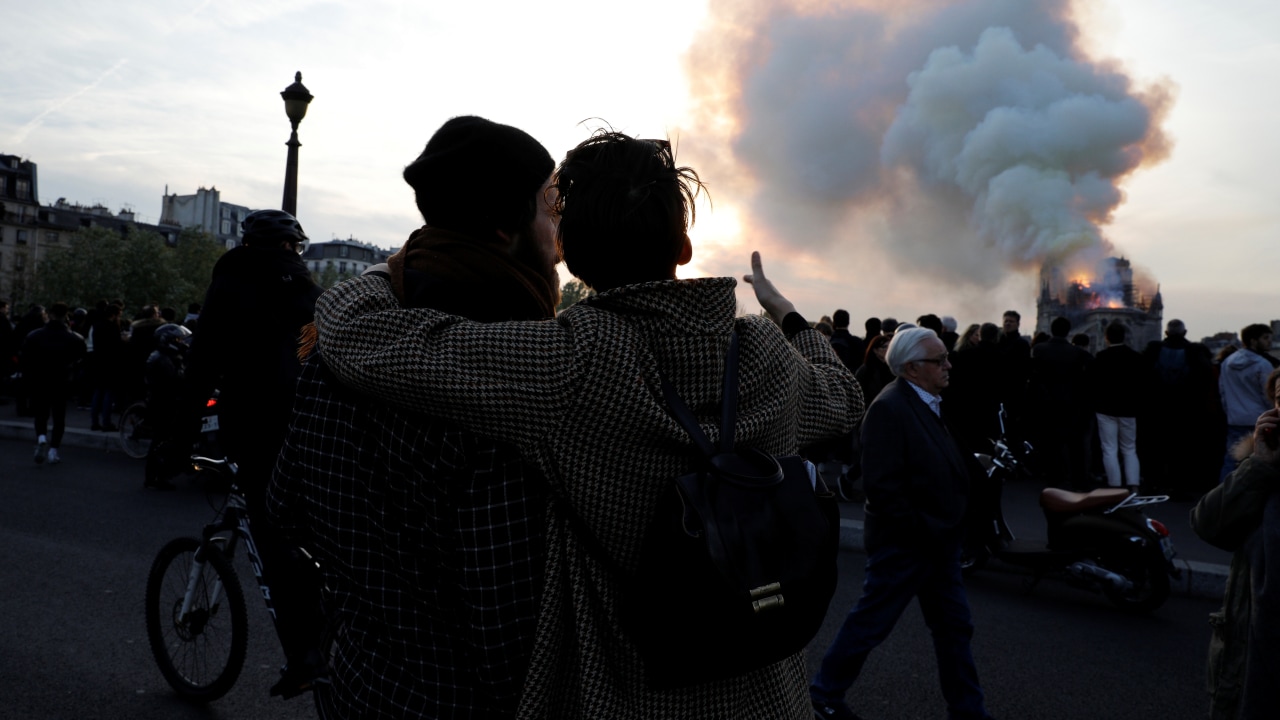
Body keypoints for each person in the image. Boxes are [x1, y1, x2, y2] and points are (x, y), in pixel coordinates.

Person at [312, 131, 863, 719]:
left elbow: (359, 340)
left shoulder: (569, 361)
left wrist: (383, 270)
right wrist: (788, 314)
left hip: (627, 694)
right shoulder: (766, 354)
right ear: (683, 247)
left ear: (569, 253)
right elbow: (845, 396)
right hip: (768, 690)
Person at [269, 116, 562, 719]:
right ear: (504, 226)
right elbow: (509, 632)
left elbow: (286, 505)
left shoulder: (339, 344)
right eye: (550, 207)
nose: (559, 229)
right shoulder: (504, 376)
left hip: (359, 681)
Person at [810, 327, 993, 720]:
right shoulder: (889, 408)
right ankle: (823, 695)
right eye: (939, 360)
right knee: (871, 624)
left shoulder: (927, 401)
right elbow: (883, 488)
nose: (948, 365)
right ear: (912, 368)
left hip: (938, 543)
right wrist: (924, 531)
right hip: (907, 544)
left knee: (954, 629)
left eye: (946, 357)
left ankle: (968, 711)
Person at [184, 208, 325, 698]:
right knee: (315, 528)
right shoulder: (311, 291)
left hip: (257, 425)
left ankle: (305, 656)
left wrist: (179, 435)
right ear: (294, 247)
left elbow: (202, 361)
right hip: (315, 424)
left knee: (271, 535)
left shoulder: (232, 283)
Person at [1190, 366, 1280, 719]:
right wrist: (1258, 465)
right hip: (1247, 670)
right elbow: (1207, 524)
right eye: (1279, 399)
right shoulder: (1263, 469)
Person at [1028, 316, 1093, 490]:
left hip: (1047, 404)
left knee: (1050, 444)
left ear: (1052, 329)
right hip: (1071, 406)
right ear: (1067, 331)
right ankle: (1077, 481)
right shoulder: (1078, 353)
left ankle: (1053, 479)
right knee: (1073, 445)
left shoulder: (1039, 349)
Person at [19, 303, 86, 464]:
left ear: (50, 314)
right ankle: (54, 450)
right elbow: (80, 360)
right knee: (59, 416)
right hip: (62, 380)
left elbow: (25, 357)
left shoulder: (34, 336)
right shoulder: (75, 338)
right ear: (66, 315)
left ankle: (41, 438)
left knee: (41, 413)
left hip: (40, 378)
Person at [1087, 322, 1148, 491]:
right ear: (1124, 336)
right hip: (1129, 409)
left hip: (1105, 409)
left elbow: (1093, 384)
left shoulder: (1101, 357)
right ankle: (1133, 485)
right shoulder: (1136, 358)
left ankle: (1114, 486)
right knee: (1129, 448)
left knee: (1109, 449)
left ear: (1106, 338)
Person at [1218, 323, 1278, 483]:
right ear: (1253, 340)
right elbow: (1269, 395)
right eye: (1265, 338)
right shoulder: (1262, 364)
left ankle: (1225, 494)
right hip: (1259, 418)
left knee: (1231, 461)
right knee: (1261, 462)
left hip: (1235, 419)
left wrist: (1230, 412)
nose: (1269, 342)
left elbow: (1223, 392)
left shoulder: (1227, 362)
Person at [143, 323, 192, 490]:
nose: (182, 342)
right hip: (164, 404)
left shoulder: (163, 356)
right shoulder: (164, 359)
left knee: (161, 440)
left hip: (161, 403)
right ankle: (157, 477)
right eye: (178, 340)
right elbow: (176, 382)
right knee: (162, 441)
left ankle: (156, 476)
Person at [854, 334, 894, 404]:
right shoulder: (865, 371)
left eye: (890, 347)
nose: (888, 350)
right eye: (884, 347)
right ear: (875, 350)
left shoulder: (893, 368)